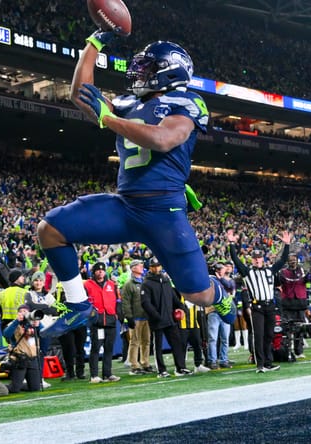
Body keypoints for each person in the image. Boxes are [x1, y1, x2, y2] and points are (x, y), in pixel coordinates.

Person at [36, 28, 235, 339]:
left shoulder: (187, 101)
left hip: (164, 211)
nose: (139, 72)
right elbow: (81, 94)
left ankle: (220, 296)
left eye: (149, 68)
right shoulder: (129, 102)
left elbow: (163, 139)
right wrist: (94, 42)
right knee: (50, 229)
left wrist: (109, 119)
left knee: (197, 294)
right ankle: (77, 304)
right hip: (127, 206)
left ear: (170, 72)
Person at [227, 229, 290, 372]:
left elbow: (282, 261)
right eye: (254, 257)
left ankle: (268, 362)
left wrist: (286, 245)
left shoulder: (270, 270)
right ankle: (260, 364)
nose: (257, 259)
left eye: (259, 257)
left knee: (269, 335)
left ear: (263, 258)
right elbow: (236, 260)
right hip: (258, 308)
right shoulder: (247, 272)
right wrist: (231, 243)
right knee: (259, 336)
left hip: (270, 307)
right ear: (251, 259)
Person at [140, 257, 190, 378]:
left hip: (170, 319)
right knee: (158, 346)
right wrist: (157, 316)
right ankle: (161, 370)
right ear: (150, 268)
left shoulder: (166, 280)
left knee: (177, 343)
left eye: (158, 265)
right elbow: (145, 303)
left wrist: (182, 308)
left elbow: (174, 298)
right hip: (157, 320)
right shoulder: (146, 283)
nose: (157, 268)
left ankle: (180, 367)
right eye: (154, 266)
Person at [84, 263, 121, 383]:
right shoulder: (87, 285)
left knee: (109, 348)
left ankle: (108, 374)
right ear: (94, 272)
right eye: (98, 271)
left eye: (102, 270)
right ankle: (94, 375)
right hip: (96, 321)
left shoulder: (112, 284)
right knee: (95, 349)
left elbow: (118, 301)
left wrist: (118, 315)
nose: (100, 272)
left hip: (110, 320)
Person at [2, 305, 43, 393]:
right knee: (14, 389)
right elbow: (6, 334)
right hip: (20, 359)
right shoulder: (14, 323)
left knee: (35, 388)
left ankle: (21, 384)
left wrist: (39, 325)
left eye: (25, 311)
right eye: (21, 311)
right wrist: (17, 321)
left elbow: (45, 334)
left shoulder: (34, 323)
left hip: (33, 358)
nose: (23, 313)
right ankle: (2, 387)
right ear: (17, 313)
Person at [121, 259, 152, 375]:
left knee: (146, 341)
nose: (142, 267)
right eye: (139, 266)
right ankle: (134, 365)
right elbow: (125, 303)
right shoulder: (129, 284)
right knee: (134, 342)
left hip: (146, 317)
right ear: (133, 268)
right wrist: (129, 317)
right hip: (136, 317)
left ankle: (145, 362)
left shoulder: (144, 281)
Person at [278, 254, 309, 358]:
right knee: (286, 328)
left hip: (300, 302)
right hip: (287, 302)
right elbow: (279, 281)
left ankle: (299, 351)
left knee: (300, 328)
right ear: (287, 262)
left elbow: (310, 279)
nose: (293, 262)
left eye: (294, 260)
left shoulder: (302, 271)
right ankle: (286, 350)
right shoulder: (283, 272)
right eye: (291, 260)